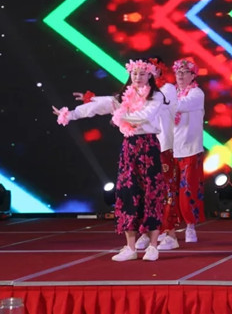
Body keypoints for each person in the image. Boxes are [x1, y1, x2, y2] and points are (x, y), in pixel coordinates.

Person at [52, 59, 168, 261]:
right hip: (130, 147)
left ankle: (152, 246)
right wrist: (70, 114)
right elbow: (101, 106)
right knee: (127, 192)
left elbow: (144, 116)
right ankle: (130, 247)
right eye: (134, 73)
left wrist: (121, 115)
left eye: (142, 74)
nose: (137, 77)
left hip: (148, 146)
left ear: (149, 75)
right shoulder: (123, 97)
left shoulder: (156, 96)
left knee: (151, 193)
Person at [135, 57, 180, 251]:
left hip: (162, 146)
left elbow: (151, 110)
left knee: (166, 192)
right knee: (145, 192)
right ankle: (146, 232)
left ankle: (170, 234)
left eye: (152, 68)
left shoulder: (167, 89)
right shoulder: (137, 91)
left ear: (160, 70)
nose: (148, 72)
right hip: (143, 146)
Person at [166, 58, 205, 244]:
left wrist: (160, 100)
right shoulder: (172, 92)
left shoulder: (196, 93)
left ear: (193, 75)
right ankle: (168, 228)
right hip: (171, 148)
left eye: (185, 72)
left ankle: (190, 226)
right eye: (178, 72)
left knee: (187, 190)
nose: (180, 75)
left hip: (190, 148)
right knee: (169, 192)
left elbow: (179, 106)